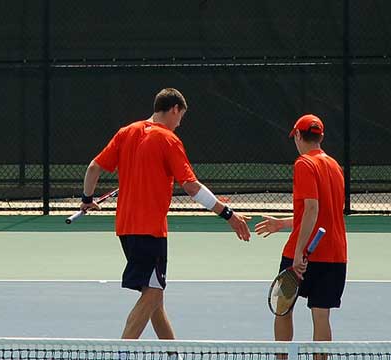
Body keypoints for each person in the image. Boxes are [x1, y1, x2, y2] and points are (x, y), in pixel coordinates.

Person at [79, 88, 251, 339]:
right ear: (174, 109)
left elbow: (94, 167)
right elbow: (191, 186)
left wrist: (87, 199)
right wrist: (229, 215)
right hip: (149, 231)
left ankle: (173, 354)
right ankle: (122, 353)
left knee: (155, 298)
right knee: (153, 294)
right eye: (181, 116)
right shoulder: (169, 140)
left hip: (126, 229)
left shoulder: (126, 132)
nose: (180, 123)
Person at [255, 114, 347, 342]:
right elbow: (321, 214)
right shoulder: (336, 167)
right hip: (335, 256)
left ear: (297, 135)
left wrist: (298, 252)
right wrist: (283, 223)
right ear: (321, 136)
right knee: (321, 317)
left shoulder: (304, 164)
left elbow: (312, 209)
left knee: (283, 308)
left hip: (301, 256)